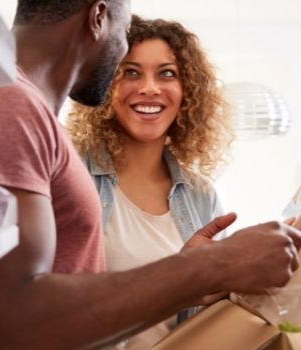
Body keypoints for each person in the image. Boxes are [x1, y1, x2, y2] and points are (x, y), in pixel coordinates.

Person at [0, 1, 301, 349]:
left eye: (166, 73)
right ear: (98, 17)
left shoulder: (22, 107)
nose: (147, 86)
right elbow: (9, 321)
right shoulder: (10, 103)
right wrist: (214, 264)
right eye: (123, 37)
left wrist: (200, 271)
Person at [67, 16, 233, 349]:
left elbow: (211, 317)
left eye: (167, 73)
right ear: (106, 83)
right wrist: (179, 279)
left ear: (187, 90)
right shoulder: (71, 170)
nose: (149, 88)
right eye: (130, 72)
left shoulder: (201, 196)